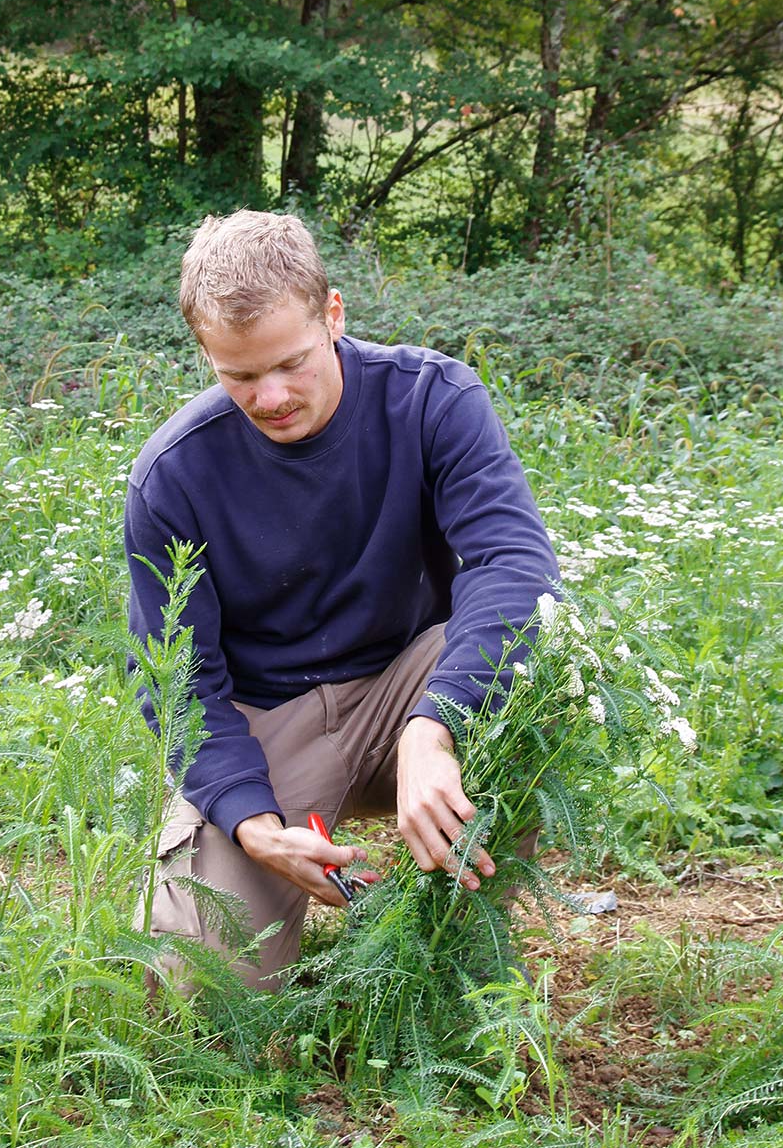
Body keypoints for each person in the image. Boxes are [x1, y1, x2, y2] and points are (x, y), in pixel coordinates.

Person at [126, 210, 560, 989]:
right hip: (267, 724)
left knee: (534, 677)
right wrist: (255, 825)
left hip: (409, 689)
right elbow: (179, 682)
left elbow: (514, 565)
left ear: (334, 312)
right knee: (203, 1003)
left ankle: (457, 962)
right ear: (206, 354)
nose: (272, 396)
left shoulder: (432, 399)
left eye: (291, 362)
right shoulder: (173, 475)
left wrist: (438, 725)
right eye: (240, 375)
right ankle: (263, 913)